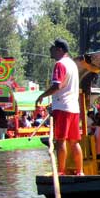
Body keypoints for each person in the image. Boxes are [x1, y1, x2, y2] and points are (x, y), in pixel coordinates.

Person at [36, 38, 83, 175]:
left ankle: (61, 171)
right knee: (74, 142)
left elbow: (58, 85)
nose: (50, 50)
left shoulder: (60, 64)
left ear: (59, 50)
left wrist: (42, 95)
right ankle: (80, 171)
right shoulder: (73, 65)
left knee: (60, 140)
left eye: (53, 48)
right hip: (74, 108)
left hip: (63, 107)